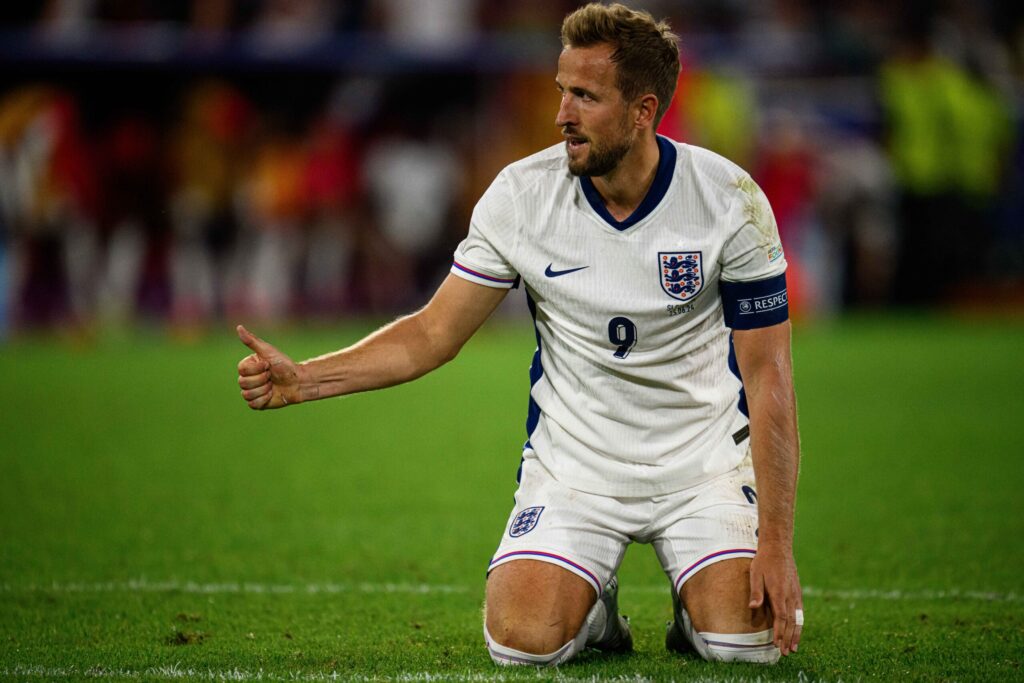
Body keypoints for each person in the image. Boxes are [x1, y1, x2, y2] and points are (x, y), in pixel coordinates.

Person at [236, 2, 802, 667]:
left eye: (585, 96)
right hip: (577, 470)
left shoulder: (730, 200)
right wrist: (305, 379)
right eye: (561, 90)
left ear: (643, 111)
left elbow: (768, 377)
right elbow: (430, 334)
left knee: (748, 643)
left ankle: (697, 607)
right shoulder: (520, 196)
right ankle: (594, 608)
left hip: (702, 465)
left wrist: (776, 544)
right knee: (520, 642)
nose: (561, 112)